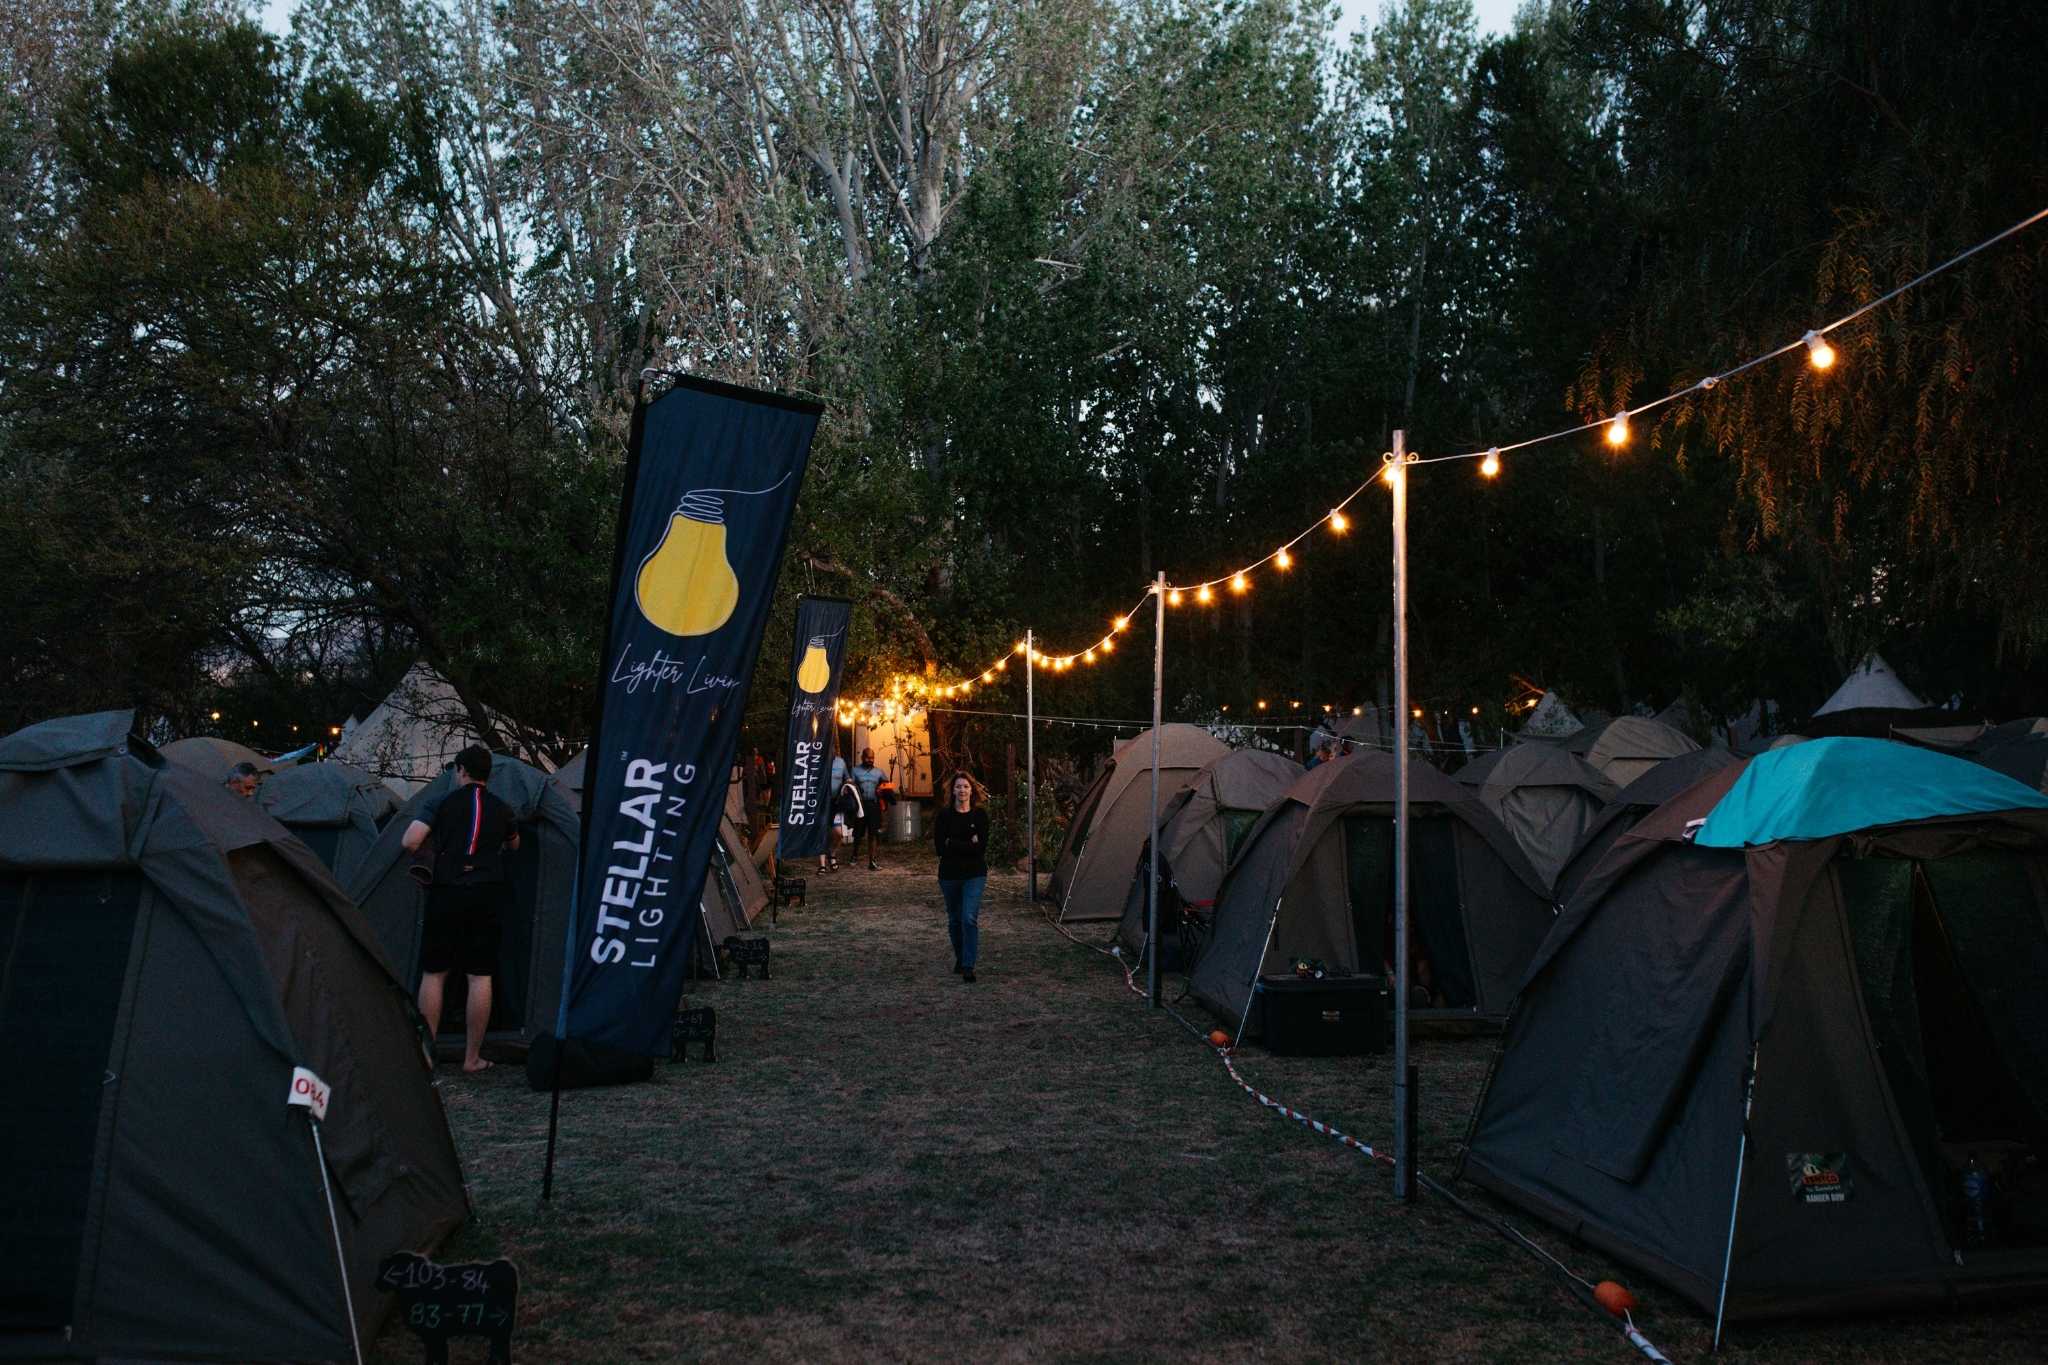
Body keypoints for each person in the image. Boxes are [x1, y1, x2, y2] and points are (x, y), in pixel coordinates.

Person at [402, 745, 519, 1074]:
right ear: (487, 775)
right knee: (479, 975)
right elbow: (514, 844)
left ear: (461, 770)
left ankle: (427, 1057)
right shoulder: (502, 808)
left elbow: (410, 841)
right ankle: (472, 1058)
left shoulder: (440, 802)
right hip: (485, 893)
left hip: (447, 892)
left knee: (434, 973)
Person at [933, 771, 989, 983]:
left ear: (972, 790)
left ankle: (968, 966)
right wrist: (968, 844)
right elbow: (940, 848)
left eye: (966, 786)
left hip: (974, 874)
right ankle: (960, 957)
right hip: (949, 875)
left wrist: (953, 843)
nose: (962, 790)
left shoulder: (980, 816)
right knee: (955, 920)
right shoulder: (944, 816)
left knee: (968, 918)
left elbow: (981, 848)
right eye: (958, 786)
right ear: (952, 790)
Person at [849, 747, 888, 870]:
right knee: (858, 833)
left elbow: (888, 785)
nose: (870, 760)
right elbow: (850, 786)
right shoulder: (855, 771)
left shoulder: (879, 772)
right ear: (862, 758)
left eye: (872, 758)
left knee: (873, 833)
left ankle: (872, 861)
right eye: (867, 758)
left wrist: (882, 789)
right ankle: (854, 854)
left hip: (873, 805)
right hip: (860, 805)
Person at [820, 750, 851, 874]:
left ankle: (832, 854)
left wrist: (847, 785)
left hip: (836, 802)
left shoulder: (841, 762)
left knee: (839, 834)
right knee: (822, 833)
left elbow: (847, 778)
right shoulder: (818, 760)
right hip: (822, 803)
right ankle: (822, 865)